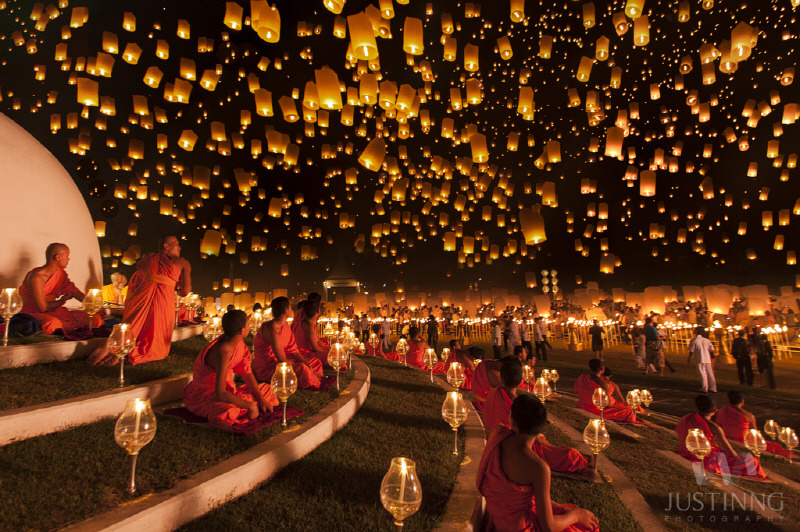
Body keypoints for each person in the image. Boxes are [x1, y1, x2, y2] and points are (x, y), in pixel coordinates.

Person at [477, 394, 600, 532]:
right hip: (521, 528)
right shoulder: (538, 467)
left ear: (512, 422)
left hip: (499, 521)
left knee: (566, 510)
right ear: (541, 427)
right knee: (586, 526)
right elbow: (549, 527)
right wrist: (577, 516)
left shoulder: (497, 433)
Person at [485, 358, 593, 477]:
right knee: (571, 455)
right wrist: (551, 445)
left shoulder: (493, 394)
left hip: (496, 439)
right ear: (521, 379)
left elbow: (488, 419)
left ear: (501, 378)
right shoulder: (520, 405)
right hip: (519, 445)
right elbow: (531, 436)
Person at [183, 310, 278, 431]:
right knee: (227, 411)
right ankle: (236, 411)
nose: (249, 327)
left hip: (229, 391)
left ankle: (244, 407)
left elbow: (247, 373)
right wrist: (250, 405)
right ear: (242, 330)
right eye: (248, 325)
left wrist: (261, 399)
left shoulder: (238, 343)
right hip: (205, 395)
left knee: (267, 389)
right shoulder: (223, 351)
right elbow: (220, 394)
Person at [118, 236, 191, 365]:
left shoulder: (147, 259)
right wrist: (173, 283)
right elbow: (184, 292)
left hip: (142, 297)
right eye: (177, 244)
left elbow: (138, 279)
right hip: (163, 300)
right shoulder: (182, 262)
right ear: (166, 246)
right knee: (157, 340)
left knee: (139, 325)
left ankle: (124, 349)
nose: (179, 247)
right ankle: (143, 352)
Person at [19, 243, 103, 339]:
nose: (68, 259)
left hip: (54, 311)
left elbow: (75, 292)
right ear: (58, 257)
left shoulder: (60, 274)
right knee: (54, 324)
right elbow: (43, 308)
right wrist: (61, 301)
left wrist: (95, 306)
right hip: (33, 313)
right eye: (67, 256)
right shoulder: (36, 278)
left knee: (95, 319)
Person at [675, 395, 766, 479]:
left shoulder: (687, 418)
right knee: (751, 461)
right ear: (714, 411)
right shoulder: (714, 427)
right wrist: (737, 458)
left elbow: (679, 431)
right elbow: (729, 451)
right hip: (708, 456)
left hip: (685, 450)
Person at [253, 297, 323, 389]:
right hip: (269, 368)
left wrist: (306, 364)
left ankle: (309, 377)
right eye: (290, 308)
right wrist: (301, 366)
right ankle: (311, 379)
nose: (292, 310)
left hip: (284, 361)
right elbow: (281, 360)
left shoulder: (285, 326)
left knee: (314, 362)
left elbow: (293, 350)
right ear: (286, 311)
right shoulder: (271, 329)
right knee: (302, 368)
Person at [714, 390, 787, 457]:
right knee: (774, 447)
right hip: (743, 441)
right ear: (742, 401)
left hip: (727, 438)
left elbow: (719, 425)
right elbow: (755, 433)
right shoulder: (748, 416)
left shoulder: (721, 411)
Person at [575, 359, 643, 423]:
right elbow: (608, 404)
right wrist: (615, 406)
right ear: (602, 369)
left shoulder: (582, 377)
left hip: (582, 405)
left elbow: (577, 391)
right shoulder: (604, 384)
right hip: (597, 410)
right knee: (628, 411)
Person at [290, 298, 331, 368]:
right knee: (331, 356)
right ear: (318, 310)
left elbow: (317, 340)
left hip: (307, 351)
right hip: (305, 353)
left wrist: (326, 349)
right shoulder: (308, 325)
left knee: (330, 349)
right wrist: (326, 353)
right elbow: (315, 348)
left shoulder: (309, 323)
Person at [688, 326, 717, 393]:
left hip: (699, 358)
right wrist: (712, 358)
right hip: (707, 359)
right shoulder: (707, 340)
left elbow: (691, 351)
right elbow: (711, 350)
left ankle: (704, 387)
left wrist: (689, 358)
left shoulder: (694, 340)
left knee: (702, 373)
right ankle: (713, 387)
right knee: (710, 373)